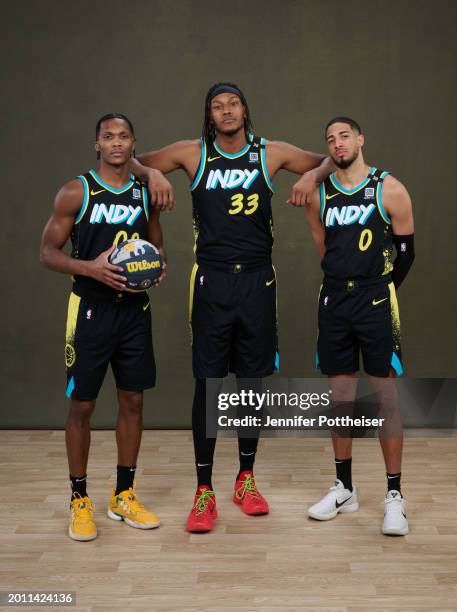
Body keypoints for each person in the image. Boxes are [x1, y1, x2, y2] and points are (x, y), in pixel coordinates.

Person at [131, 82, 334, 532]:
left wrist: (310, 176)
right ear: (209, 115)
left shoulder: (271, 152)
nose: (226, 111)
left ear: (245, 110)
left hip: (258, 279)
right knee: (208, 383)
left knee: (250, 382)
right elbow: (128, 161)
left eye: (233, 104)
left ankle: (246, 478)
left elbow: (328, 162)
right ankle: (204, 490)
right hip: (211, 280)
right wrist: (154, 175)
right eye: (218, 106)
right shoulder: (192, 153)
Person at [40, 113, 167, 541]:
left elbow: (156, 243)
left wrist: (156, 265)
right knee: (83, 406)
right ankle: (79, 499)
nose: (116, 143)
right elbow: (47, 252)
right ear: (97, 144)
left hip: (134, 311)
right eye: (108, 137)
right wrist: (89, 268)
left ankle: (123, 495)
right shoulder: (77, 191)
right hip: (90, 310)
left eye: (124, 136)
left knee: (132, 401)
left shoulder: (142, 191)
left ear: (134, 143)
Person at [304, 116, 415, 535]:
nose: (337, 143)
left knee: (385, 396)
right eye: (329, 138)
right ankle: (344, 488)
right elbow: (324, 247)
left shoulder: (390, 188)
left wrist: (379, 290)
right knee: (341, 396)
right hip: (334, 300)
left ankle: (394, 495)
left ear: (361, 139)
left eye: (344, 135)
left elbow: (406, 253)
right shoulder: (321, 194)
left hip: (374, 300)